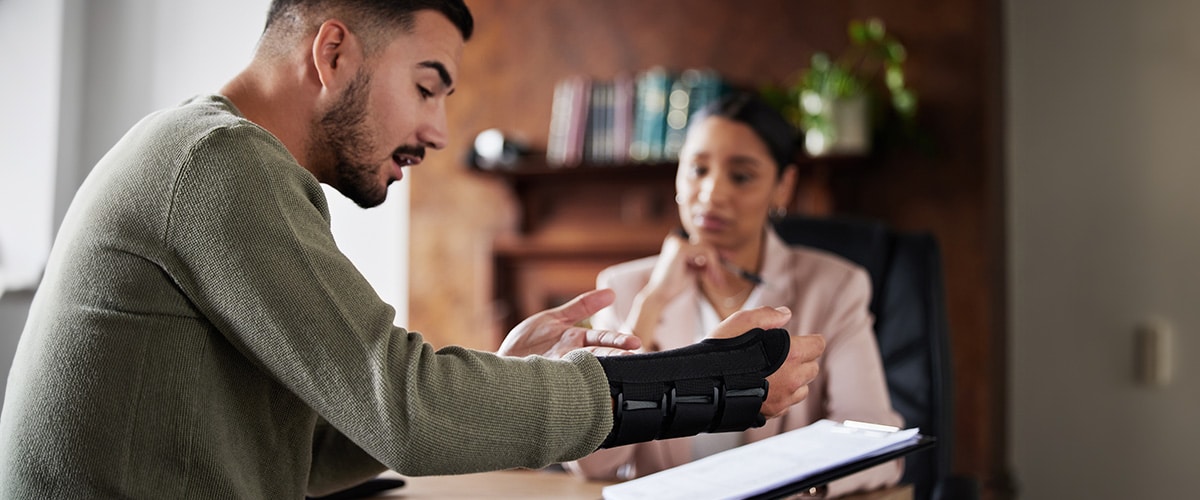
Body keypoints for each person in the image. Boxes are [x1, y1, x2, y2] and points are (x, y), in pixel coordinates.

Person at [0, 2, 827, 498]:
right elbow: (402, 409)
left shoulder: (214, 159)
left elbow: (318, 441)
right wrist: (711, 380)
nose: (437, 128)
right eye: (427, 84)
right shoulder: (217, 164)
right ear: (332, 53)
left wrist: (510, 374)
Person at [565, 92, 902, 497]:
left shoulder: (835, 287)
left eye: (740, 176)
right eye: (697, 169)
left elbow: (874, 443)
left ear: (783, 186)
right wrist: (651, 303)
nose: (711, 193)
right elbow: (592, 465)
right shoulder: (624, 288)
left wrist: (806, 487)